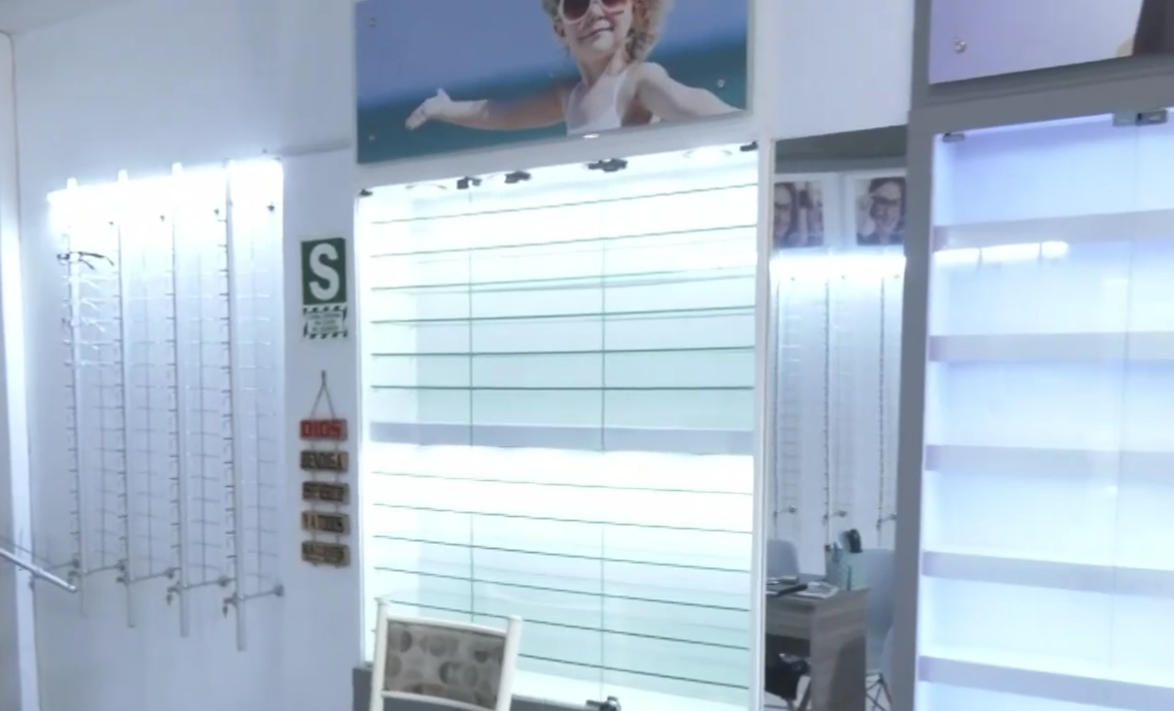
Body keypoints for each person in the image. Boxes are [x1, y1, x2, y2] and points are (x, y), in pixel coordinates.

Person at [405, 0, 738, 136]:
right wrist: (445, 108)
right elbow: (502, 114)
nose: (595, 12)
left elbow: (696, 106)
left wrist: (754, 125)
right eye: (577, 4)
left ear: (635, 11)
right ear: (561, 29)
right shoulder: (568, 97)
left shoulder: (638, 81)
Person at [856, 177, 906, 246]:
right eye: (882, 202)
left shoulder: (906, 241)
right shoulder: (856, 241)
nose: (888, 213)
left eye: (894, 203)